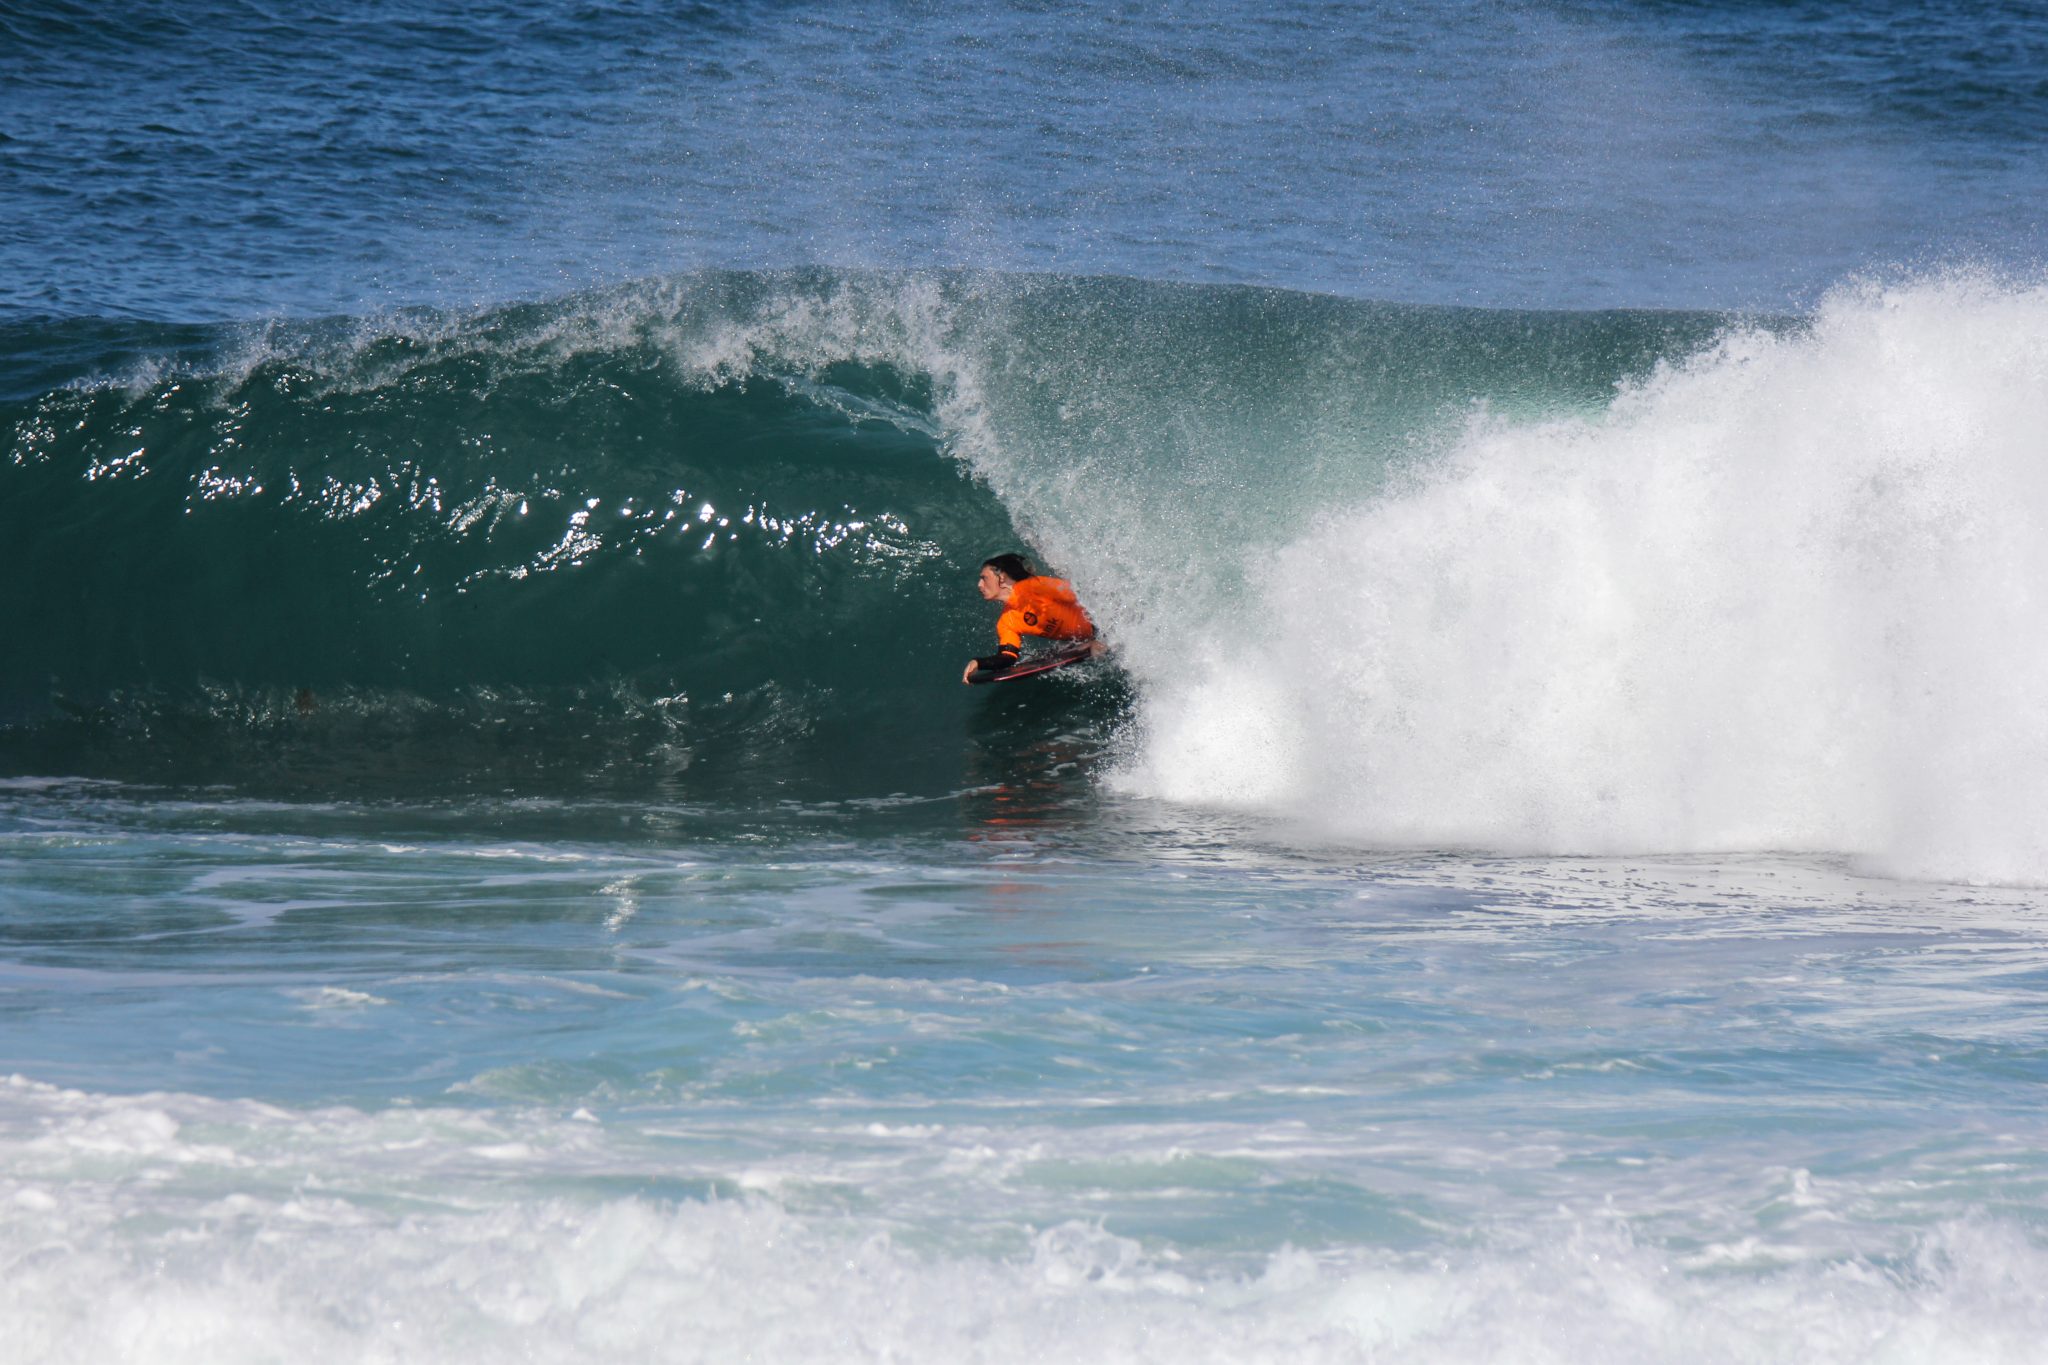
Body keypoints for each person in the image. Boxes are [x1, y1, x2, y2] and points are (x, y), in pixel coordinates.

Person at [961, 553, 1100, 684]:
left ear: (1001, 578)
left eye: (984, 578)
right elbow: (1008, 658)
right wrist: (979, 663)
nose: (979, 584)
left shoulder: (1036, 586)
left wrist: (1103, 632)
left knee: (1098, 645)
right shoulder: (1007, 621)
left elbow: (1085, 596)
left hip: (1103, 623)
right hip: (1085, 639)